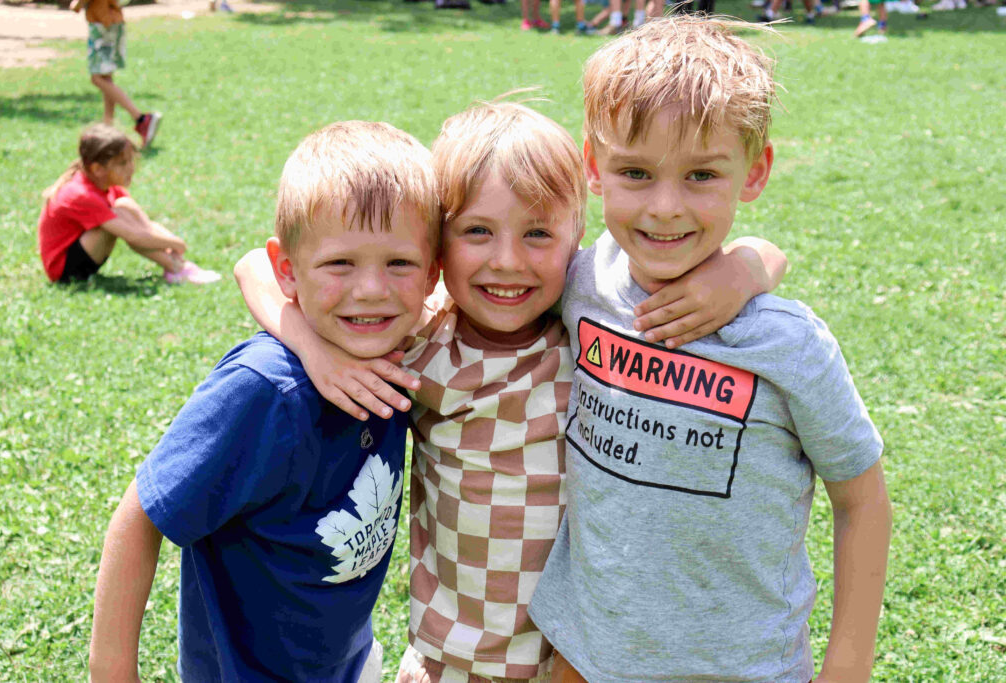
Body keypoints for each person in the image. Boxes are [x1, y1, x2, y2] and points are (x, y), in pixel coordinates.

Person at [235, 99, 788, 683]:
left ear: (579, 236)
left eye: (538, 233)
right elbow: (255, 265)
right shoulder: (419, 337)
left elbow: (764, 251)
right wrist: (313, 349)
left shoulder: (594, 317)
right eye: (477, 231)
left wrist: (746, 270)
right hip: (450, 661)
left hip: (581, 664)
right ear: (435, 246)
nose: (507, 262)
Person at [526, 17, 893, 683]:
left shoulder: (790, 345)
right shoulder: (579, 283)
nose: (665, 207)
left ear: (755, 173)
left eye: (701, 175)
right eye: (635, 172)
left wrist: (849, 665)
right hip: (585, 654)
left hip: (741, 667)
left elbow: (862, 499)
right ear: (592, 168)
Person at [88, 121, 441, 682]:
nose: (371, 289)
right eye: (340, 264)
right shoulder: (266, 391)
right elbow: (139, 518)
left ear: (432, 273)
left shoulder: (409, 348)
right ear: (290, 271)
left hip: (348, 662)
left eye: (398, 263)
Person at [38, 123, 219, 285]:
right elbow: (134, 236)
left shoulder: (105, 184)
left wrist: (170, 244)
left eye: (131, 160)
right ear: (97, 169)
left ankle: (181, 266)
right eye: (122, 163)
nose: (131, 167)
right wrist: (177, 243)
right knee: (121, 213)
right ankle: (176, 268)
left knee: (125, 205)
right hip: (65, 272)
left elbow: (143, 225)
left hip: (84, 255)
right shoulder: (81, 194)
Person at [69, 0, 162, 147]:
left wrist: (76, 4)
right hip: (113, 22)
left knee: (97, 78)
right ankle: (108, 128)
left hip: (102, 25)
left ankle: (141, 119)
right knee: (106, 78)